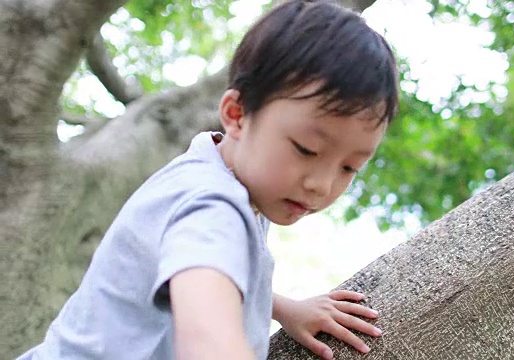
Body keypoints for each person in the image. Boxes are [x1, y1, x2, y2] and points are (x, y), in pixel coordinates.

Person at [17, 0, 398, 359]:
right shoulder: (210, 202)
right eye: (306, 149)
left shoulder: (233, 180)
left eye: (349, 167)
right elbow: (207, 336)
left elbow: (212, 270)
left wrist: (281, 307)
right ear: (236, 114)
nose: (322, 184)